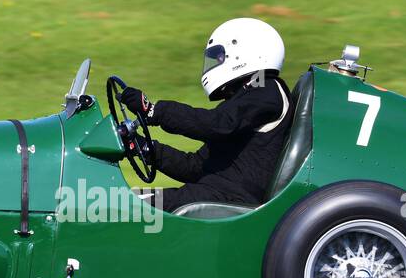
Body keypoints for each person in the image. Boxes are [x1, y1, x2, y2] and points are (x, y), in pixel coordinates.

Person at [118, 17, 293, 213]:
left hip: (231, 197)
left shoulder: (265, 87)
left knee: (119, 204)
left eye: (218, 56)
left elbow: (216, 124)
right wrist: (145, 148)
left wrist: (154, 111)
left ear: (243, 53)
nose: (214, 63)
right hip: (214, 192)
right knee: (123, 200)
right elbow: (196, 166)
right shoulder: (245, 99)